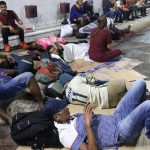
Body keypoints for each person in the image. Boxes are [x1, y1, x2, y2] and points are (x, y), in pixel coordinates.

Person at [44, 79, 150, 149]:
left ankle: (142, 118)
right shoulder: (65, 134)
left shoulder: (70, 116)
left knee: (140, 83)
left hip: (115, 116)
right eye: (63, 109)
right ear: (56, 117)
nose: (67, 109)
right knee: (147, 105)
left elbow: (94, 121)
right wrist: (87, 125)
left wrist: (91, 113)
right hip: (120, 132)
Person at [0, 54, 44, 124]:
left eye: (4, 60)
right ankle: (8, 118)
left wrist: (13, 71)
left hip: (7, 85)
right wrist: (6, 56)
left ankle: (41, 104)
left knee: (28, 75)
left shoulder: (13, 69)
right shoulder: (9, 59)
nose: (2, 60)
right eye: (2, 59)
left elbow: (20, 72)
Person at [59, 73, 128, 108]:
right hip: (106, 91)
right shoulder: (75, 79)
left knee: (126, 98)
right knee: (125, 82)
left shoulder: (68, 98)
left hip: (106, 105)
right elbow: (93, 80)